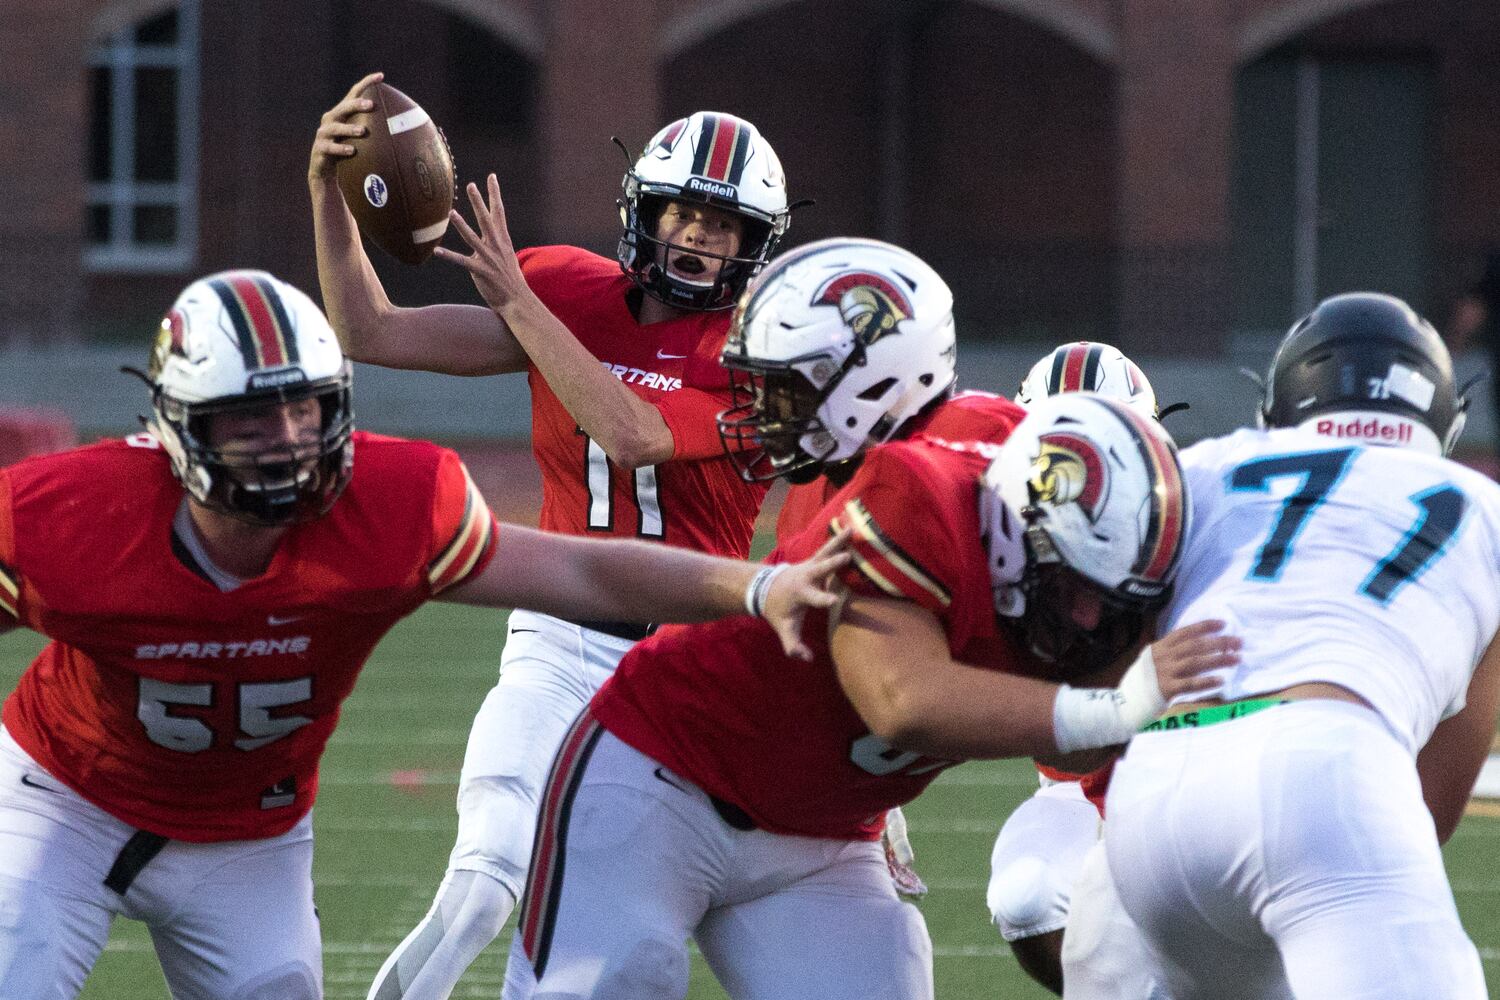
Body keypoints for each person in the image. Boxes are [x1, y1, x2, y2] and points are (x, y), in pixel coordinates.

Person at [0, 270, 849, 1000]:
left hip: (247, 832)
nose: (288, 440)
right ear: (180, 422)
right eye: (252, 419)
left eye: (306, 409)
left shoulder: (389, 507)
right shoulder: (72, 514)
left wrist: (758, 585)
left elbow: (584, 572)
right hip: (64, 801)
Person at [500, 386, 1243, 1000]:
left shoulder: (1125, 580)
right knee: (601, 984)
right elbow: (904, 701)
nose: (1090, 618)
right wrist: (1112, 708)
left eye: (1112, 598)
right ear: (1019, 532)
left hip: (822, 838)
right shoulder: (922, 496)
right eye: (1074, 586)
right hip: (663, 773)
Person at [308, 75, 797, 999]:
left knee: (610, 940)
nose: (698, 236)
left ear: (753, 247)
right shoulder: (571, 288)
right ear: (644, 212)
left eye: (722, 225)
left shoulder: (762, 355)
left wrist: (524, 309)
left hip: (687, 673)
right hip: (557, 640)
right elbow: (368, 330)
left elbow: (634, 434)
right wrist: (328, 193)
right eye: (684, 213)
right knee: (486, 874)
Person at [1097, 292, 1497, 998]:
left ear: (1276, 403)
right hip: (1325, 766)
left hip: (1151, 796)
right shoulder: (1484, 507)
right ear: (1443, 414)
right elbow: (1430, 802)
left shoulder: (1204, 467)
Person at [714, 235, 1027, 894]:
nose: (766, 412)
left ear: (874, 379)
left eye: (790, 388)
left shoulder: (994, 445)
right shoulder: (814, 494)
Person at [984, 340, 1167, 995]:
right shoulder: (996, 533)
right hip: (1078, 785)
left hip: (1192, 782)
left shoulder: (1194, 512)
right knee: (1027, 898)